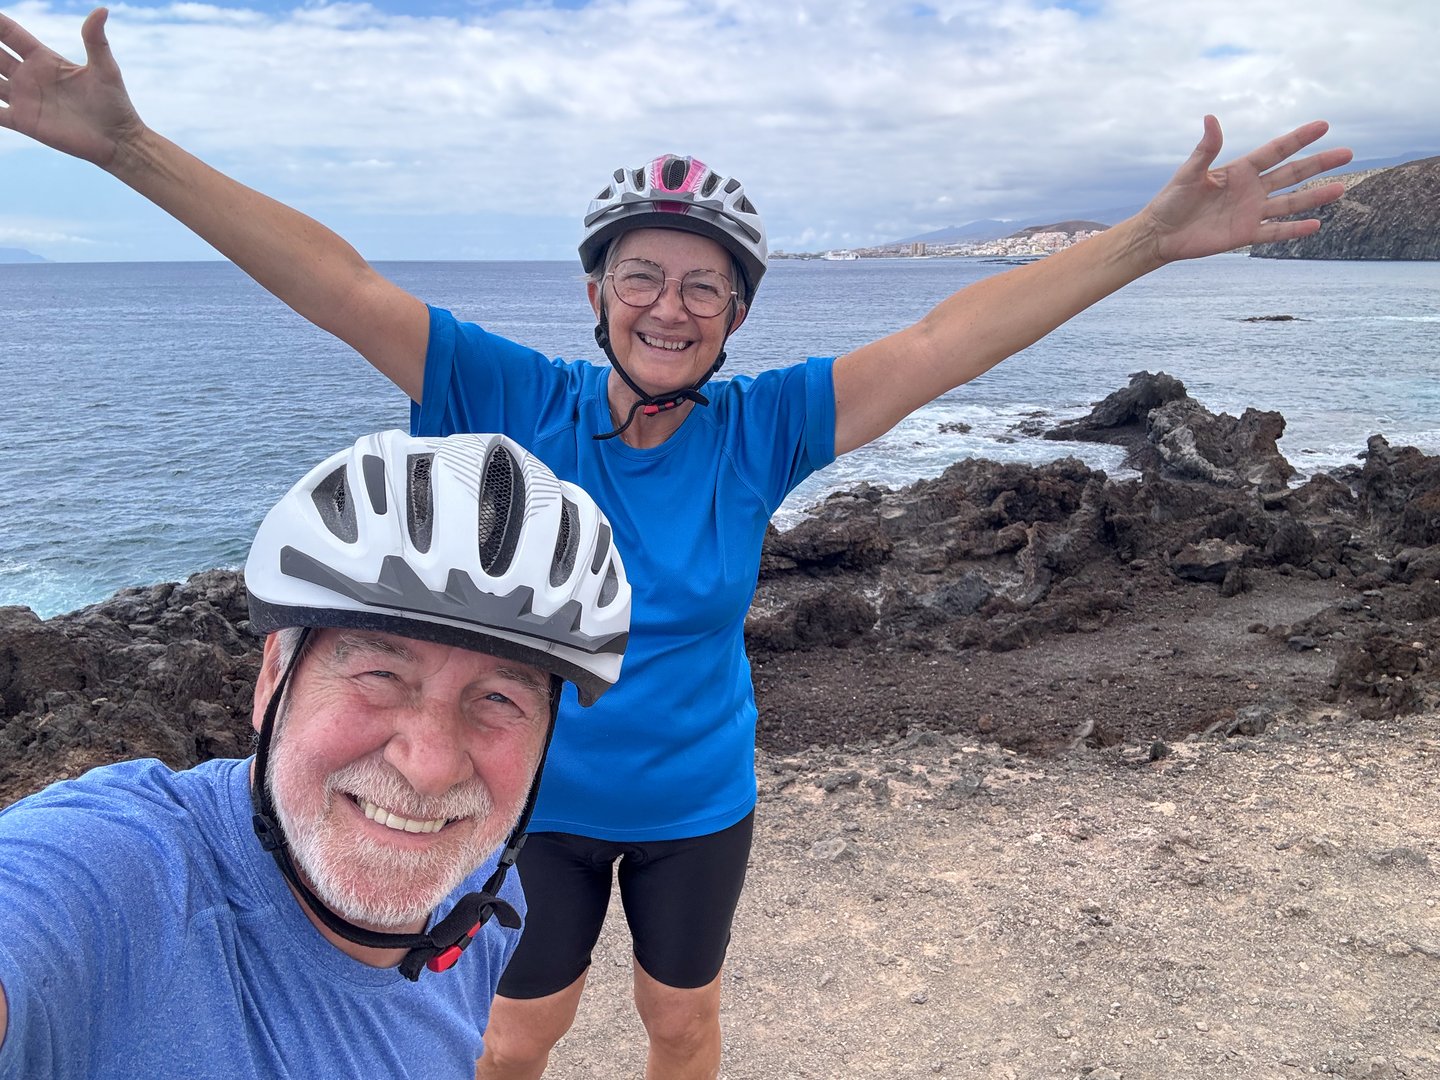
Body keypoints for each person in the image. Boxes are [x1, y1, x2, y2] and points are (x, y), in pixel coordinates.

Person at [0, 10, 1354, 1079]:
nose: (671, 302)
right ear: (594, 292)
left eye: (704, 284)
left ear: (735, 315)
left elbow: (946, 342)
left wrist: (1147, 242)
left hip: (700, 802)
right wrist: (132, 151)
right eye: (642, 274)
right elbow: (342, 284)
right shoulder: (509, 396)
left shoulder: (762, 431)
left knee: (683, 1028)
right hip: (523, 799)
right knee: (511, 1040)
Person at [0, 428, 632, 1078]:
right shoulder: (114, 879)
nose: (431, 765)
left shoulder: (479, 897)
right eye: (380, 675)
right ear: (272, 676)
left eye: (500, 698)